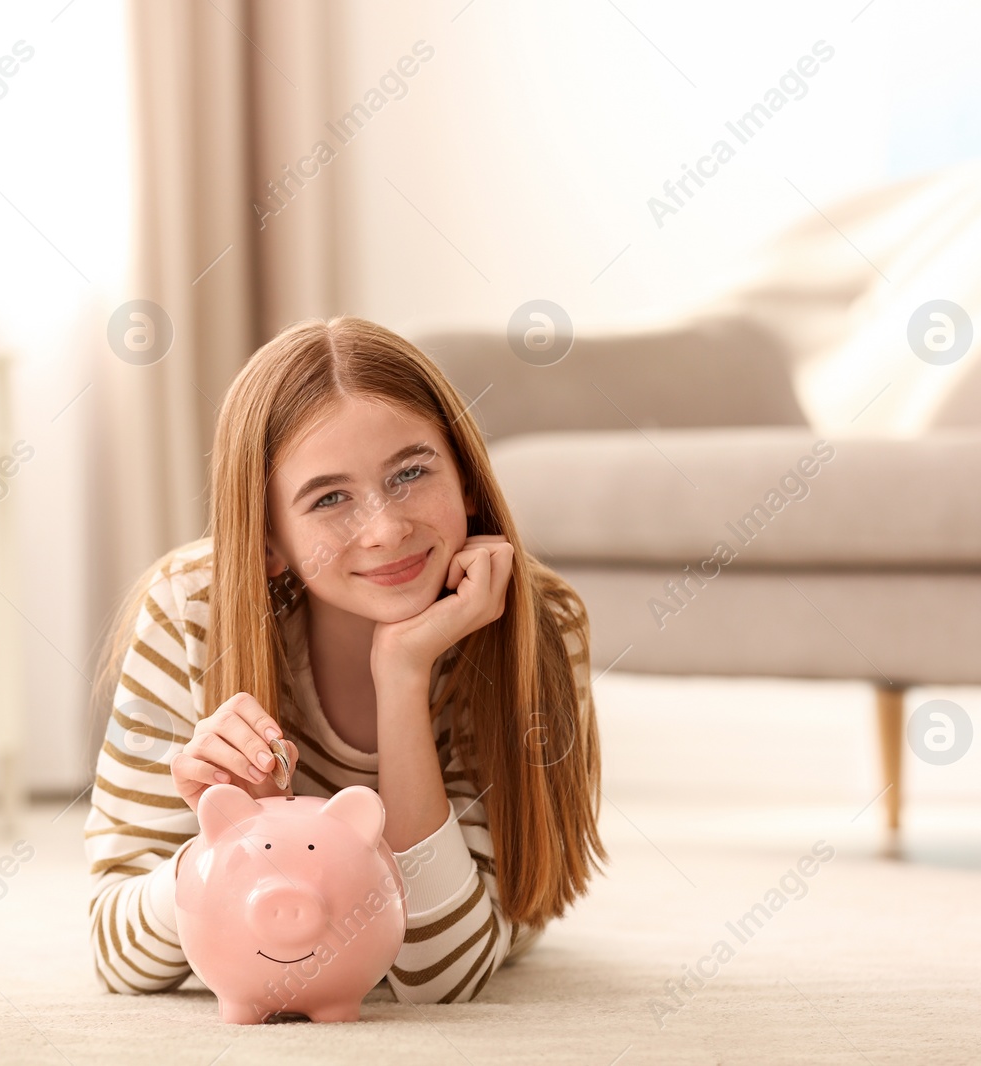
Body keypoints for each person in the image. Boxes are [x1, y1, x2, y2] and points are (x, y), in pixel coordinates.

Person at [84, 314, 608, 1006]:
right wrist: (230, 850)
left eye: (411, 473)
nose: (386, 529)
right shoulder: (189, 611)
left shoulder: (538, 626)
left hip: (457, 924)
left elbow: (441, 975)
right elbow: (119, 961)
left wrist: (402, 673)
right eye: (330, 498)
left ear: (468, 481)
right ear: (268, 540)